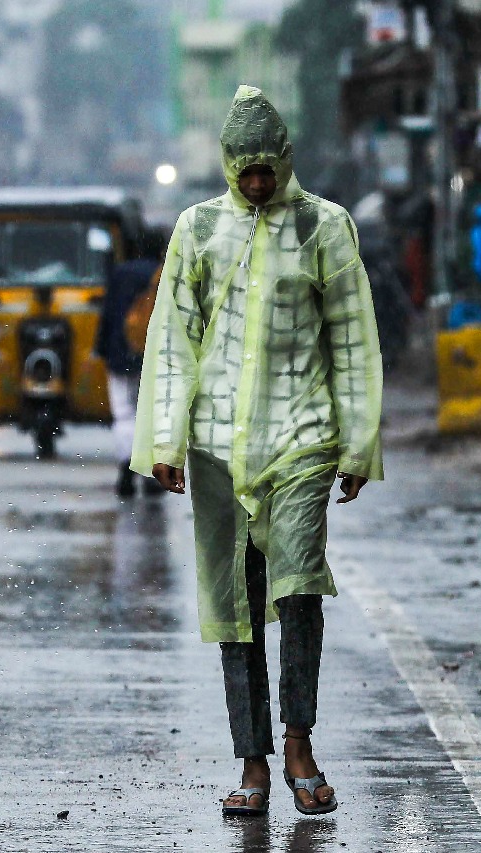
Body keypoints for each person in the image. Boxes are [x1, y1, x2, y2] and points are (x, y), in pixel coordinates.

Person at [130, 85, 383, 817]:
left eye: (268, 168)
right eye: (247, 170)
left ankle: (298, 740)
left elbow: (353, 338)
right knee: (234, 605)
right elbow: (173, 339)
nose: (258, 182)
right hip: (215, 446)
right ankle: (253, 760)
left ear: (286, 160)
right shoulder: (198, 229)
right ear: (228, 163)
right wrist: (165, 437)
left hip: (303, 436)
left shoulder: (324, 228)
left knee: (298, 586)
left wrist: (358, 442)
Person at [95, 230, 167, 497]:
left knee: (125, 413)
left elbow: (109, 315)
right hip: (156, 357)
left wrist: (101, 348)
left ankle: (127, 466)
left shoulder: (121, 273)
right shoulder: (167, 273)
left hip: (120, 354)